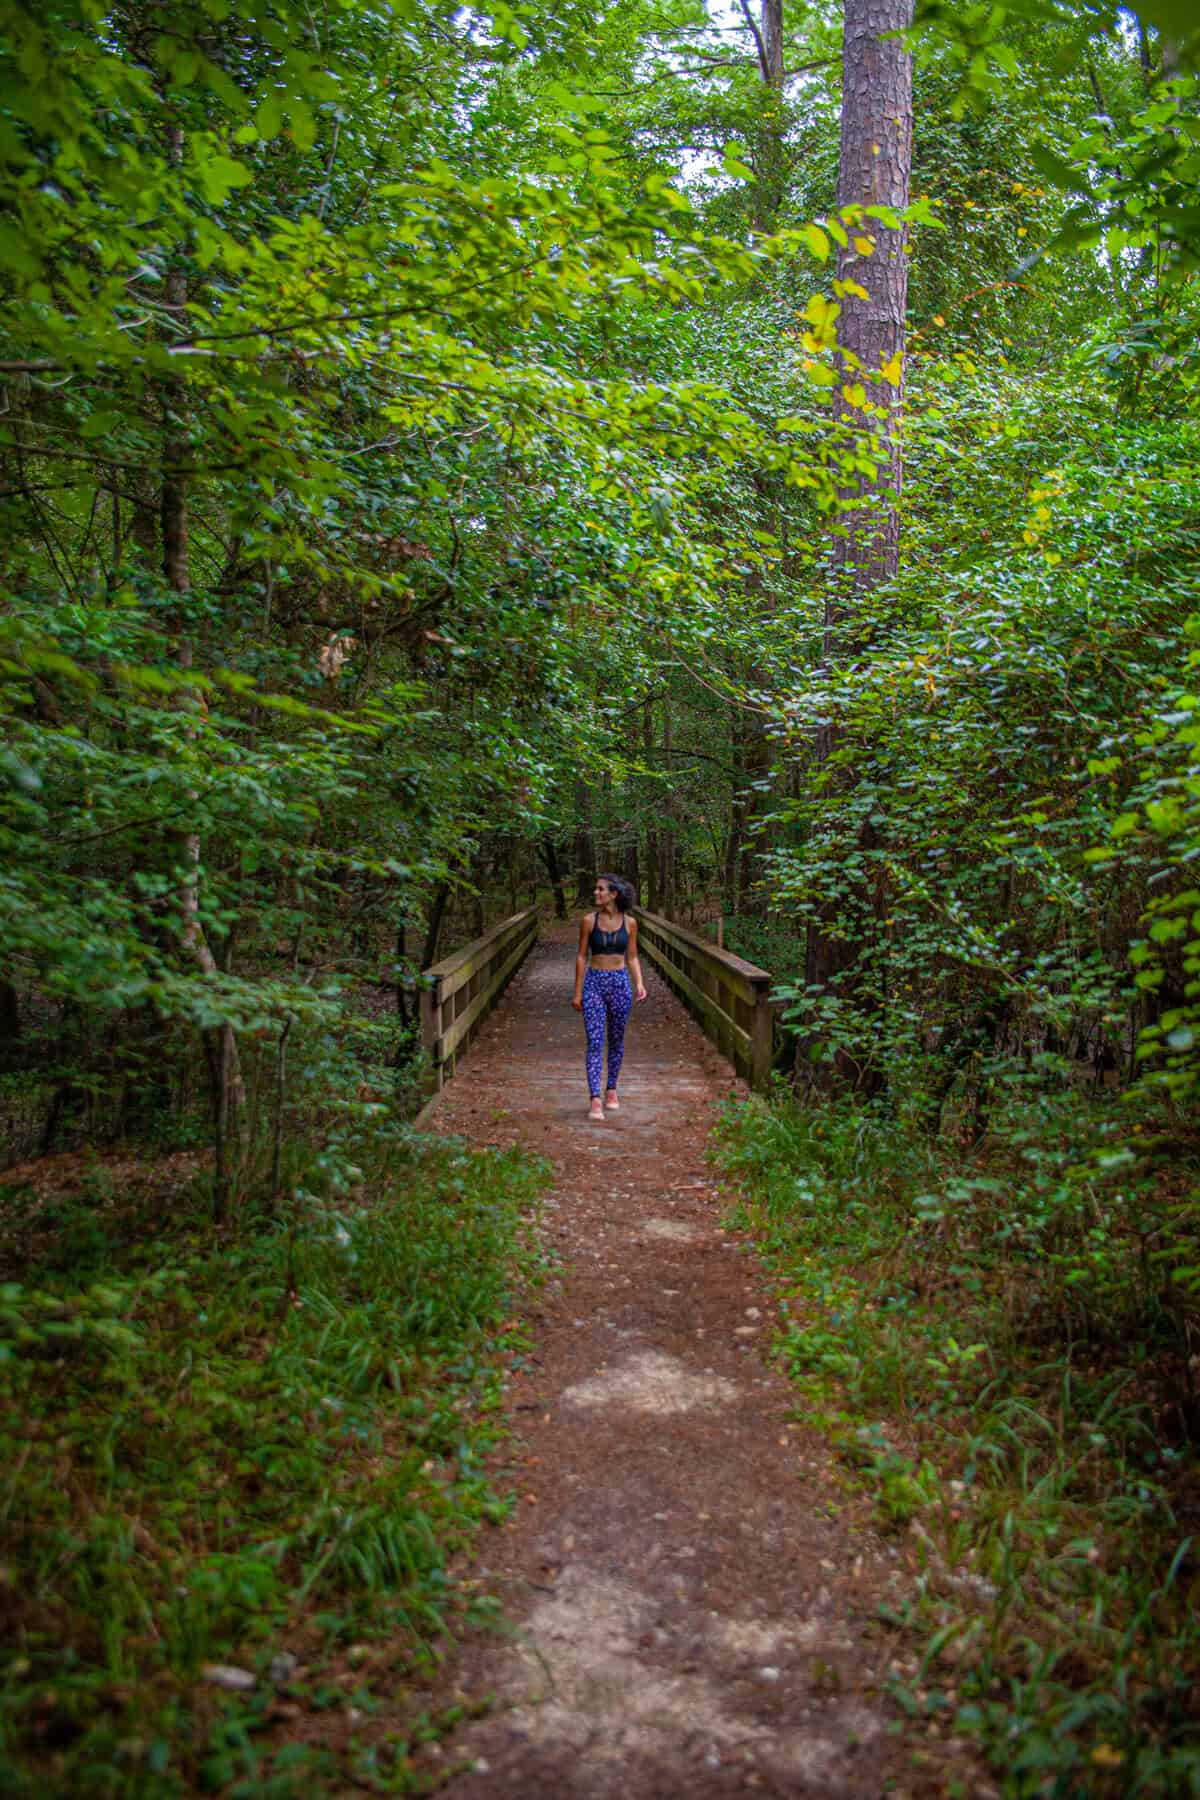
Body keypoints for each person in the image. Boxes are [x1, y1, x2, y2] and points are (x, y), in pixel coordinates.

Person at [572, 874, 647, 1121]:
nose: (596, 892)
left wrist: (639, 983)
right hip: (594, 982)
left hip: (620, 983)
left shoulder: (630, 924)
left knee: (616, 1039)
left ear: (614, 894)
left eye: (600, 889)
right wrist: (578, 991)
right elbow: (582, 956)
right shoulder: (588, 921)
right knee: (595, 1040)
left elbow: (633, 956)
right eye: (596, 889)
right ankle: (595, 1098)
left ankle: (611, 1089)